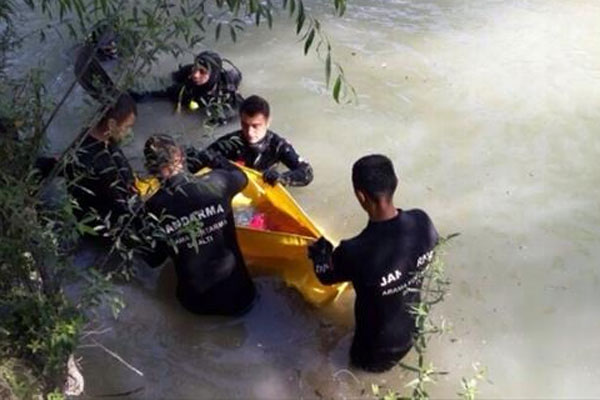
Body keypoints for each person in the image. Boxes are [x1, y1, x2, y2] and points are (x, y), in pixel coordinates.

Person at [307, 155, 439, 372]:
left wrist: (320, 255)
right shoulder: (422, 222)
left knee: (353, 374)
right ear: (395, 182)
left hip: (375, 348)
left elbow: (325, 276)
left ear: (360, 196)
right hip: (413, 329)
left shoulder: (354, 250)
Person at [143, 134, 256, 316]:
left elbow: (153, 260)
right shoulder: (217, 182)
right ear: (180, 156)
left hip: (195, 305)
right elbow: (242, 177)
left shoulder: (151, 208)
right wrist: (212, 158)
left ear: (150, 168)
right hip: (241, 297)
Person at [186, 95, 313, 187]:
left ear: (268, 123)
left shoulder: (278, 145)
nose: (249, 132)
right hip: (237, 186)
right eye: (245, 125)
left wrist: (282, 178)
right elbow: (199, 160)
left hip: (266, 184)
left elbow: (306, 172)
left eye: (255, 126)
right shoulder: (230, 143)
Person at [64, 93, 139, 227]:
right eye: (127, 127)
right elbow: (118, 204)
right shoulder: (94, 160)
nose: (128, 133)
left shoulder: (105, 140)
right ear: (111, 124)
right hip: (103, 226)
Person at [130, 51, 243, 121]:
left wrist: (222, 122)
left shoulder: (226, 92)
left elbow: (243, 113)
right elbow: (160, 94)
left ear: (213, 74)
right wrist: (135, 97)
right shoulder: (186, 87)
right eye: (195, 68)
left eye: (202, 72)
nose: (195, 75)